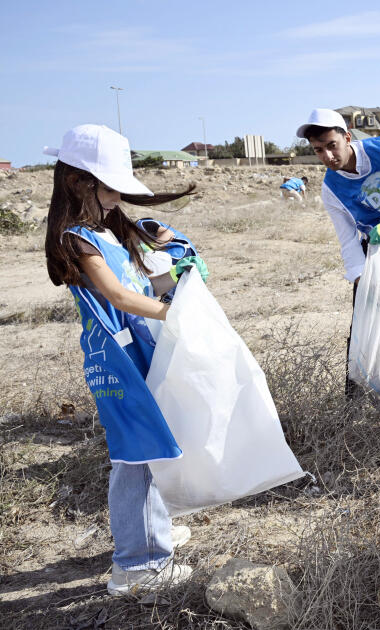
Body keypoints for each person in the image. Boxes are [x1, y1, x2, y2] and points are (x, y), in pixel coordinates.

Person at [42, 124, 208, 596]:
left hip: (138, 349)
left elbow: (142, 284)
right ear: (80, 182)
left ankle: (152, 529)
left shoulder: (107, 232)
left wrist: (178, 276)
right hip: (117, 359)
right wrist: (171, 314)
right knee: (135, 455)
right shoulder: (77, 239)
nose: (117, 198)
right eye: (111, 187)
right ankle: (137, 564)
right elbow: (116, 295)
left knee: (155, 443)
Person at [296, 108, 380, 394]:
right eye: (318, 150)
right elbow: (348, 242)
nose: (328, 156)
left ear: (347, 138)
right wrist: (363, 282)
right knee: (362, 328)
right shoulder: (331, 189)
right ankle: (353, 401)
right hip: (377, 251)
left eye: (332, 146)